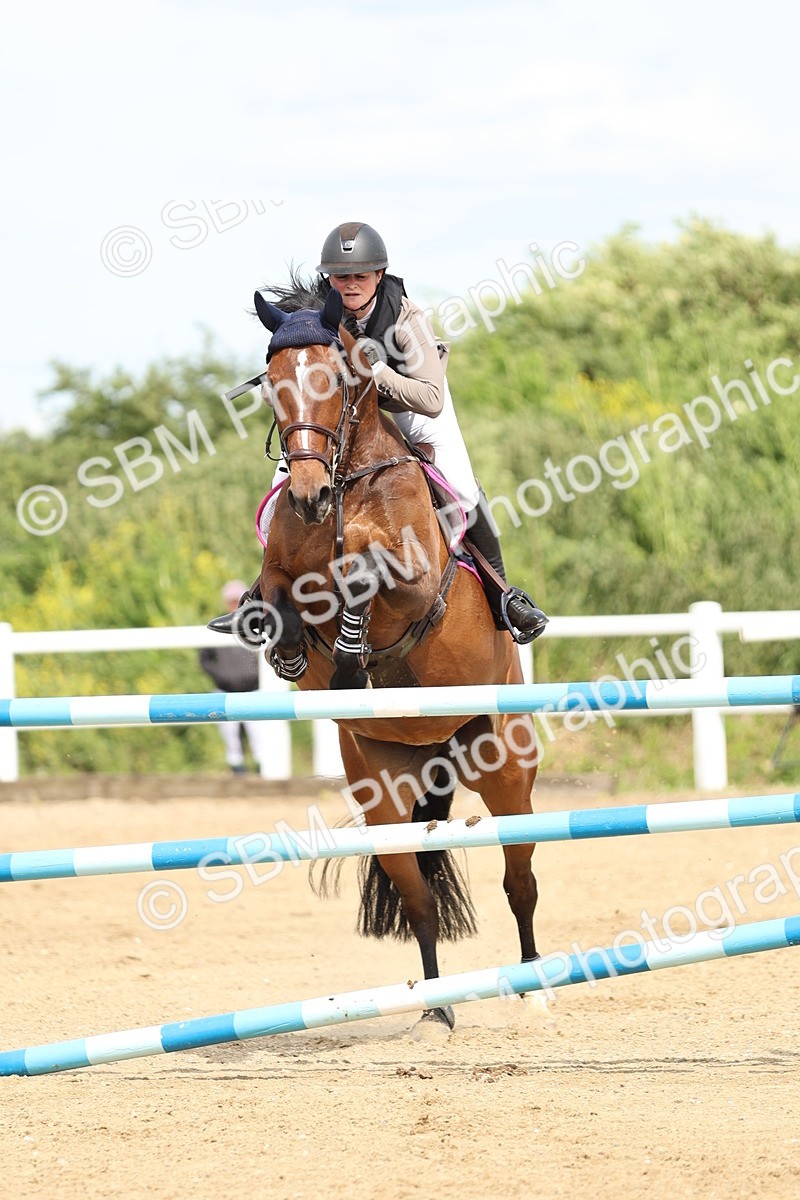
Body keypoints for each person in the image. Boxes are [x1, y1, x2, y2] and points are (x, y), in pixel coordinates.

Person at [210, 222, 548, 642]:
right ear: (328, 278)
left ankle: (503, 596)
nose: (350, 285)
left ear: (379, 276)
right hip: (345, 419)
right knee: (290, 481)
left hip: (410, 405)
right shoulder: (316, 317)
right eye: (341, 277)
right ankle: (262, 596)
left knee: (461, 486)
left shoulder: (406, 319)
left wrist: (378, 373)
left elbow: (430, 398)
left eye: (360, 276)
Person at [200, 580, 266, 773]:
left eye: (236, 600)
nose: (233, 604)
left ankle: (263, 767)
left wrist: (255, 675)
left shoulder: (257, 623)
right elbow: (205, 660)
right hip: (224, 688)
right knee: (230, 737)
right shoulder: (216, 626)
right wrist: (222, 677)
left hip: (254, 688)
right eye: (231, 600)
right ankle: (236, 767)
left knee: (259, 734)